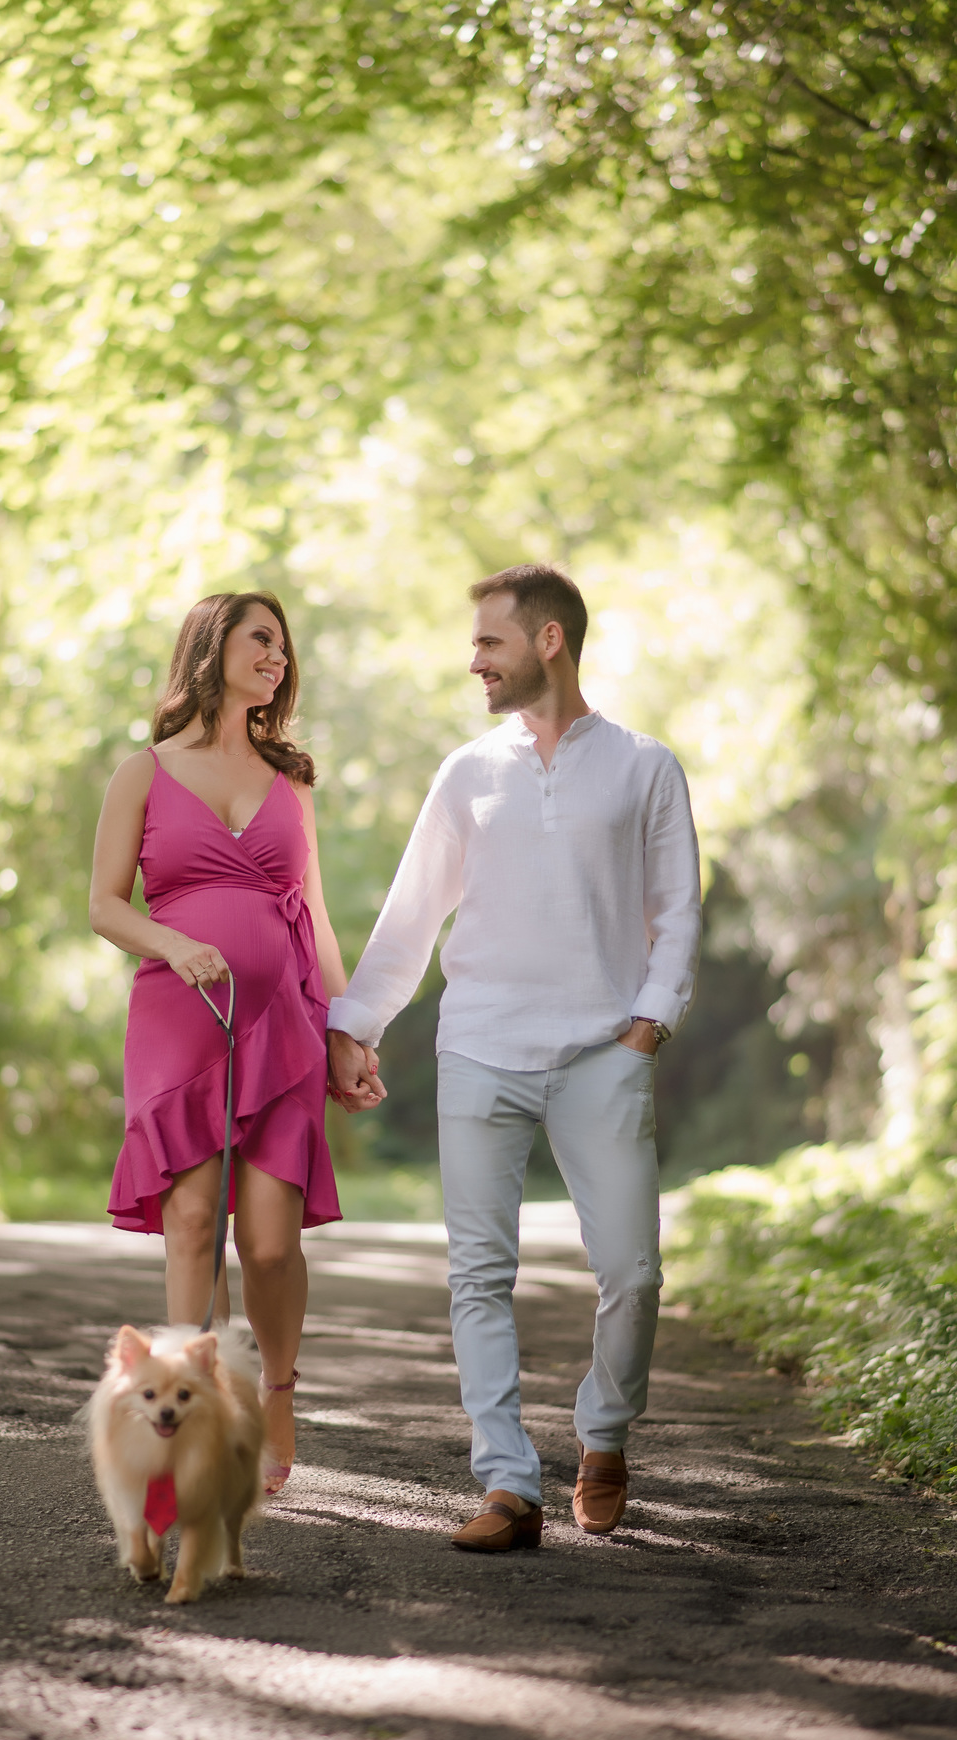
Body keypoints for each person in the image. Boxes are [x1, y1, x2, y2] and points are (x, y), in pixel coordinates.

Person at [328, 564, 701, 1548]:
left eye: (490, 641)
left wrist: (647, 1024)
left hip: (601, 1054)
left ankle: (605, 1431)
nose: (474, 661)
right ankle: (507, 1485)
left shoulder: (644, 767)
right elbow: (412, 917)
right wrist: (354, 1023)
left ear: (549, 641)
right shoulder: (467, 772)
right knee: (477, 1273)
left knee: (634, 1272)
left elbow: (678, 911)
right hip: (482, 1048)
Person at [90, 590, 380, 1493]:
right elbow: (104, 906)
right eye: (263, 640)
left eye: (285, 649)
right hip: (180, 1019)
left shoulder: (291, 784)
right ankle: (193, 1425)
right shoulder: (142, 773)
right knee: (188, 1221)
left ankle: (279, 1395)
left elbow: (319, 922)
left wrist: (347, 1031)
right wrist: (176, 945)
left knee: (266, 1242)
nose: (278, 659)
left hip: (284, 1028)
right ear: (214, 648)